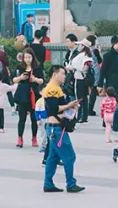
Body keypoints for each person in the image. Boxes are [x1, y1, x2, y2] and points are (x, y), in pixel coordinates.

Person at [41, 65, 84, 194]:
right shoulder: (52, 89)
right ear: (55, 74)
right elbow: (54, 109)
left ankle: (48, 184)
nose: (64, 76)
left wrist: (70, 107)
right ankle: (70, 184)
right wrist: (69, 105)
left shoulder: (55, 88)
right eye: (63, 74)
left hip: (54, 128)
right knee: (69, 156)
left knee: (53, 157)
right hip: (56, 128)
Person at [12, 48, 43, 148]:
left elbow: (42, 80)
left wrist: (35, 79)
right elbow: (14, 80)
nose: (27, 59)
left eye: (29, 57)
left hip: (34, 94)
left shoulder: (37, 67)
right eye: (25, 57)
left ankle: (34, 138)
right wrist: (21, 78)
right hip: (23, 94)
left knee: (34, 118)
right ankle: (20, 138)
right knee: (22, 118)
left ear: (33, 57)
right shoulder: (20, 67)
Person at [67, 44, 93, 123]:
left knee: (80, 98)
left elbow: (81, 68)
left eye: (81, 45)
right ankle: (84, 116)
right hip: (83, 79)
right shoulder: (87, 56)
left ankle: (79, 116)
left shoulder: (83, 56)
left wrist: (71, 67)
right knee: (84, 99)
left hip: (80, 79)